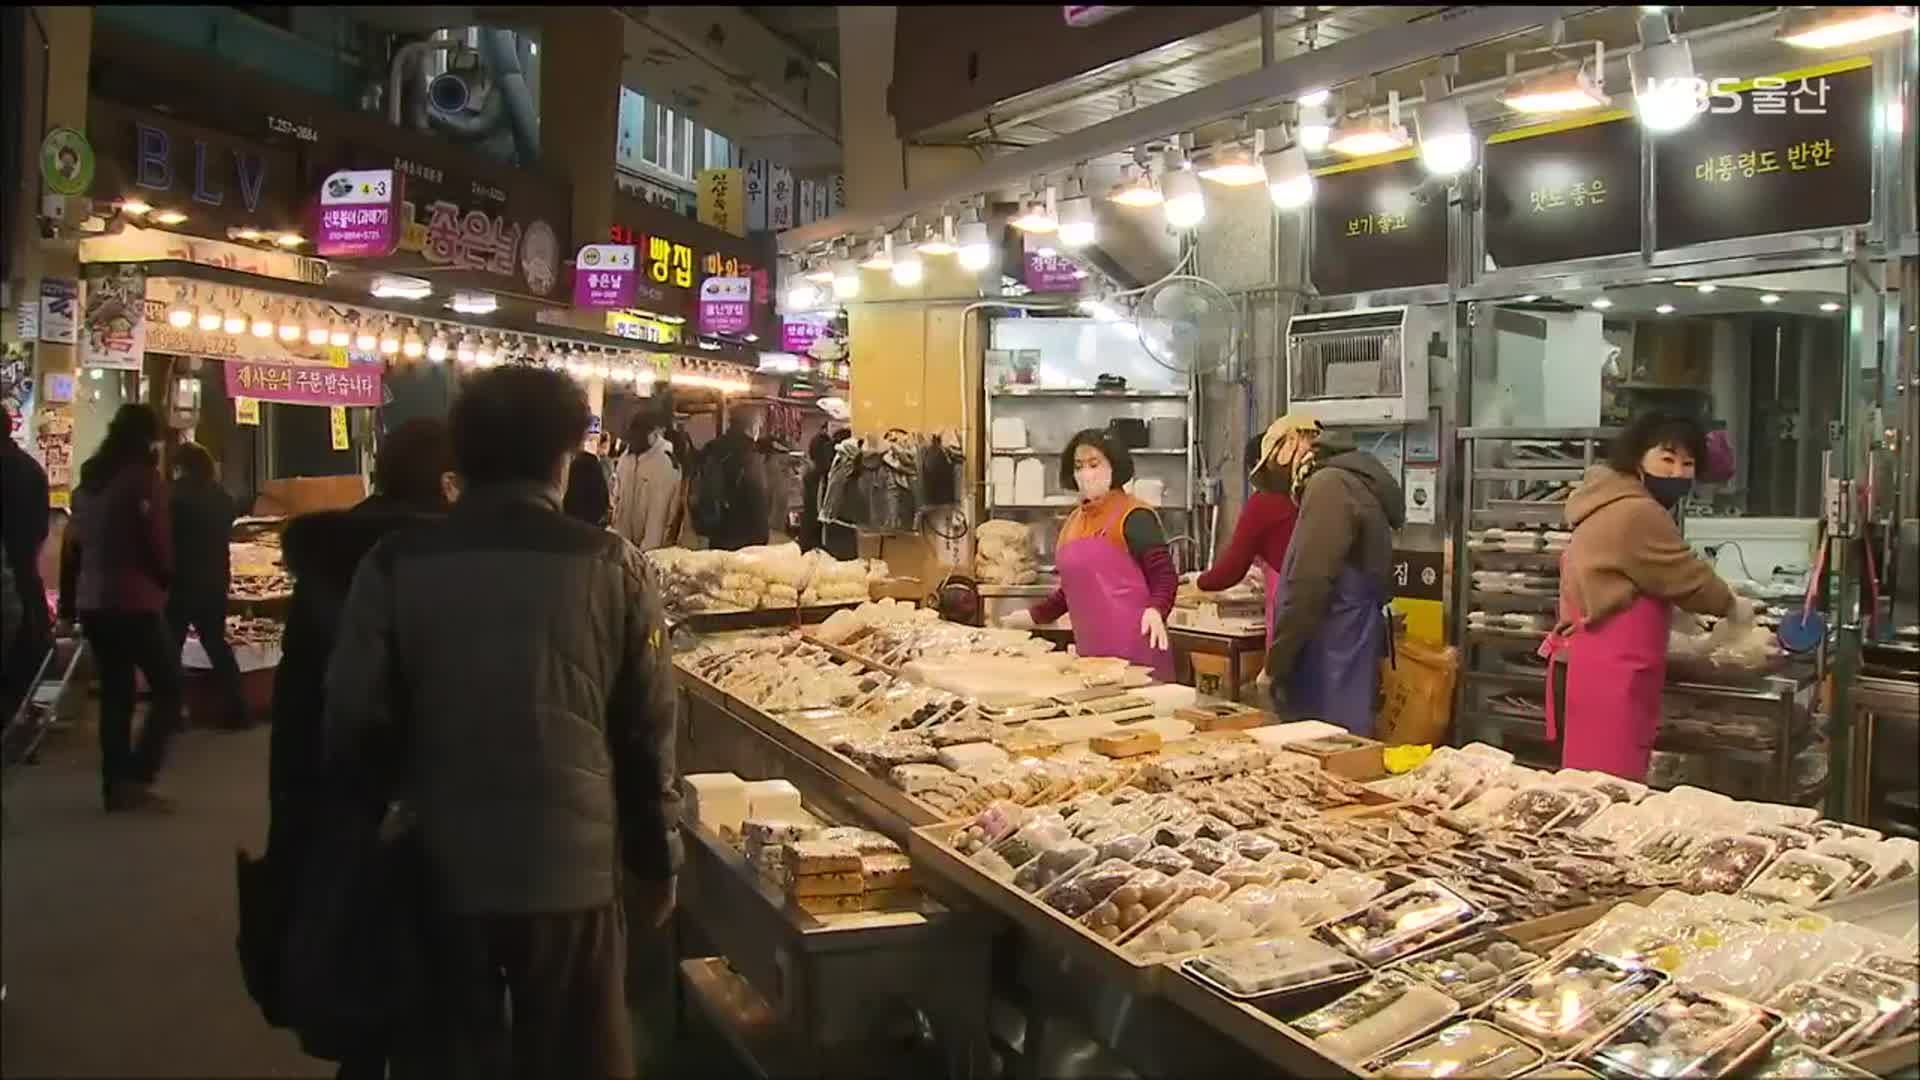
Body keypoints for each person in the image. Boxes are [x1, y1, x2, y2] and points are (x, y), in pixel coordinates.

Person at [323, 366, 678, 1078]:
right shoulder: (616, 567)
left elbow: (352, 725)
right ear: (563, 457)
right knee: (578, 1056)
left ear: (463, 457)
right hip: (571, 871)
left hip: (439, 869)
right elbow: (646, 732)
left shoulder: (393, 565)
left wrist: (369, 841)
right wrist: (653, 855)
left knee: (446, 1056)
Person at [257, 417, 456, 1076]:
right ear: (450, 484)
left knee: (361, 981)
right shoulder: (454, 567)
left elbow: (295, 717)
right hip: (438, 816)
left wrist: (290, 830)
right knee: (438, 1001)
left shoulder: (328, 561)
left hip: (338, 809)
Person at [1544, 412, 1758, 782]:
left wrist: (1681, 619)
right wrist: (1735, 609)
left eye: (1687, 464)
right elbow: (1686, 575)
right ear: (1638, 458)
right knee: (1608, 795)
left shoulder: (1610, 499)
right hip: (1610, 676)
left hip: (1592, 666)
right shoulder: (1637, 511)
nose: (1677, 472)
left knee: (1590, 790)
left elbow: (1642, 575)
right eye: (1667, 458)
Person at [58, 404, 180, 812]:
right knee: (168, 687)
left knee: (116, 693)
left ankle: (116, 783)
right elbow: (156, 542)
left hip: (95, 602)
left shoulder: (91, 483)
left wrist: (70, 603)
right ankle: (138, 775)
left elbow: (72, 549)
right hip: (134, 600)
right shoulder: (142, 480)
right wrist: (167, 577)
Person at [1262, 416, 1405, 737]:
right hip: (1346, 641)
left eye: (1275, 466)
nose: (1280, 479)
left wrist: (1278, 660)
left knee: (1331, 753)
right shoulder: (1346, 480)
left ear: (1295, 442)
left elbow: (1308, 583)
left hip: (1332, 650)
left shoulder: (1329, 486)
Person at [1000, 429, 1177, 681]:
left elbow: (1164, 575)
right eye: (1079, 466)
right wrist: (1033, 616)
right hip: (1092, 656)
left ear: (1114, 466)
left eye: (1094, 464)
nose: (1086, 473)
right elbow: (1073, 589)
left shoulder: (1135, 515)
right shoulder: (1073, 522)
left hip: (1137, 649)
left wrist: (1157, 609)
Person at [1192, 426, 1303, 648]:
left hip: (1291, 615)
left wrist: (1198, 583)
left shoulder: (1264, 504)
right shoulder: (1312, 493)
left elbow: (1232, 569)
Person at [167, 441, 246, 729]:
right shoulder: (222, 498)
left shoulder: (173, 498)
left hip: (180, 581)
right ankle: (237, 709)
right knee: (216, 643)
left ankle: (173, 714)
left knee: (170, 647)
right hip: (214, 580)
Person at [1, 416, 52, 726]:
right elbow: (40, 529)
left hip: (12, 571)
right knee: (25, 648)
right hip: (24, 571)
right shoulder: (32, 470)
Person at [691, 406, 769, 551]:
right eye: (759, 425)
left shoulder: (711, 448)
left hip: (715, 530)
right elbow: (757, 495)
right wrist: (762, 537)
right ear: (752, 427)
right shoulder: (749, 454)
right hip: (743, 537)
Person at [610, 411, 680, 551]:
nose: (635, 440)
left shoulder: (665, 462)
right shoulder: (626, 459)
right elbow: (618, 499)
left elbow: (660, 515)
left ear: (653, 434)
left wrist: (647, 553)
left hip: (651, 550)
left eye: (640, 435)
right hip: (624, 546)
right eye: (633, 435)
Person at [562, 445, 611, 528]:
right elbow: (604, 498)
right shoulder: (597, 467)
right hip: (592, 525)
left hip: (571, 522)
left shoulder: (574, 464)